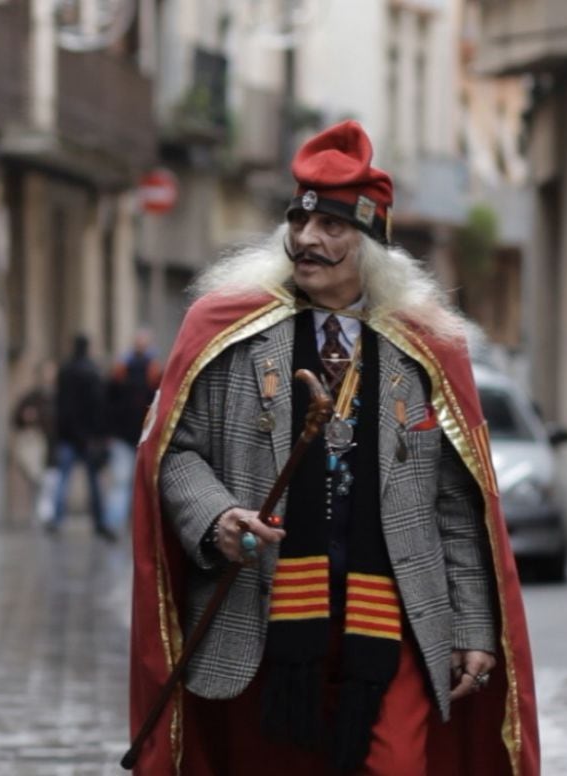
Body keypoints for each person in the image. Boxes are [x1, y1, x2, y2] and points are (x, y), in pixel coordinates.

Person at [128, 121, 538, 775]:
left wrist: (471, 627)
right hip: (260, 615)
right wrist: (216, 518)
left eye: (332, 227)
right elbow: (176, 454)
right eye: (299, 219)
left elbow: (459, 506)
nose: (307, 240)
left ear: (372, 245)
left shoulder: (427, 350)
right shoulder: (227, 334)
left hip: (394, 616)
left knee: (398, 766)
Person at [49, 333, 116, 542]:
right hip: (87, 438)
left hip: (68, 436)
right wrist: (99, 435)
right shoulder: (92, 372)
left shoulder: (65, 371)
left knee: (63, 478)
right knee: (93, 482)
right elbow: (98, 407)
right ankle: (99, 521)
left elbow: (60, 405)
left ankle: (56, 519)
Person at [104, 328, 163, 531]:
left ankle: (124, 523)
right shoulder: (132, 369)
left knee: (128, 483)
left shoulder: (143, 370)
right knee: (125, 482)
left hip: (140, 436)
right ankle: (119, 523)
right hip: (132, 436)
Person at [11, 359, 59, 524]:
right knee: (38, 482)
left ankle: (46, 516)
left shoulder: (58, 397)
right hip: (36, 448)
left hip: (53, 447)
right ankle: (42, 516)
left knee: (50, 484)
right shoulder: (31, 398)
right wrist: (25, 418)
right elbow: (16, 418)